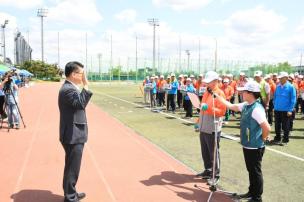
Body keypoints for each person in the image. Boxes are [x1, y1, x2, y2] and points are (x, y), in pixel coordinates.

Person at [214, 80, 271, 202]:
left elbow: (267, 128)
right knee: (251, 170)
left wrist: (263, 138)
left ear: (250, 93)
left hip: (255, 146)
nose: (241, 93)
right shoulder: (246, 105)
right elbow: (231, 106)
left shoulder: (256, 109)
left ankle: (257, 197)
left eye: (244, 92)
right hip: (248, 145)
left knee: (255, 171)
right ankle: (252, 192)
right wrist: (218, 96)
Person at [58, 61, 93, 202]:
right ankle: (70, 197)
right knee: (73, 168)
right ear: (73, 74)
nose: (83, 76)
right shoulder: (68, 89)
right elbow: (80, 104)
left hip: (72, 133)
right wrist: (86, 85)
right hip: (73, 135)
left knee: (71, 166)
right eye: (81, 73)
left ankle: (70, 192)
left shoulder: (69, 87)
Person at [196, 71, 226, 186]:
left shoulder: (219, 93)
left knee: (213, 152)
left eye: (208, 82)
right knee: (205, 151)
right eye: (206, 82)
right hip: (204, 126)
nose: (206, 84)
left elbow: (222, 111)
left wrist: (208, 108)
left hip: (213, 127)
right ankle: (208, 170)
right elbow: (202, 107)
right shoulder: (207, 92)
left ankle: (215, 174)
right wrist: (198, 122)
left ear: (215, 81)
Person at [273, 72, 296, 144]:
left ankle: (285, 139)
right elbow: (275, 97)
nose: (279, 79)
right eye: (279, 78)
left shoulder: (291, 87)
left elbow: (293, 99)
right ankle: (277, 138)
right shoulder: (278, 86)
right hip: (277, 109)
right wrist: (275, 105)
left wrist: (290, 110)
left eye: (281, 78)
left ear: (286, 78)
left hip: (286, 110)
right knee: (277, 125)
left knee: (286, 126)